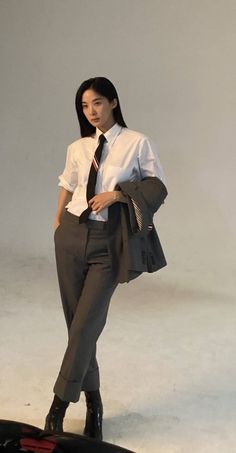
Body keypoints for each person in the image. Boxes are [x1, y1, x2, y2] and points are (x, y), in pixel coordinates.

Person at [44, 77, 168, 440]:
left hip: (108, 240)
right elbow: (67, 183)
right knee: (77, 328)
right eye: (84, 106)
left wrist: (117, 195)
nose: (91, 112)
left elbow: (157, 186)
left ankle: (58, 407)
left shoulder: (137, 143)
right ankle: (95, 402)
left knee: (85, 327)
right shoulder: (78, 147)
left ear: (113, 102)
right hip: (70, 236)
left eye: (97, 103)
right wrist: (57, 221)